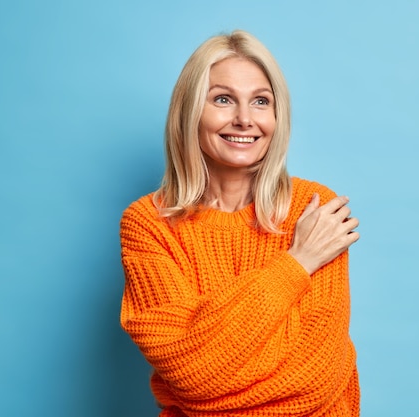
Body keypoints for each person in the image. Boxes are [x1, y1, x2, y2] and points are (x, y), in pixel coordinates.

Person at [120, 30, 360, 416]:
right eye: (223, 99)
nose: (245, 119)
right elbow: (189, 372)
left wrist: (215, 364)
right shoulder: (149, 223)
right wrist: (297, 263)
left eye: (261, 101)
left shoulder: (312, 208)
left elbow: (313, 379)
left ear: (277, 116)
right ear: (190, 111)